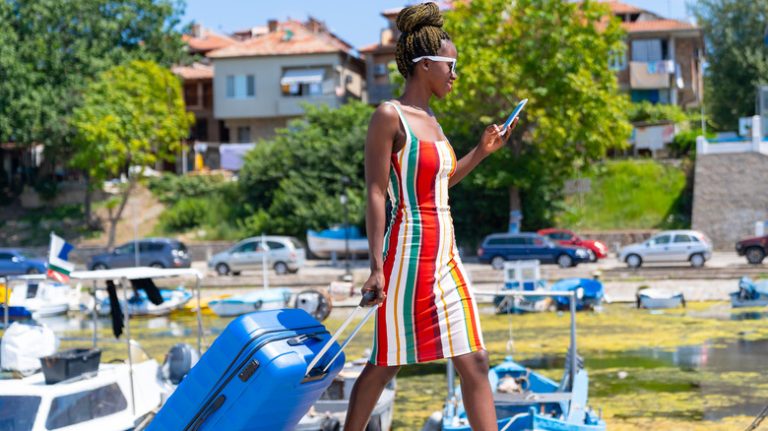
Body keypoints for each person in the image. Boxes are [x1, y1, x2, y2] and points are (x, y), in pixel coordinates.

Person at [344, 3, 518, 430]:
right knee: (385, 363)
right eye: (450, 65)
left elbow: (441, 184)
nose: (455, 74)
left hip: (446, 254)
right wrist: (376, 268)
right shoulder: (390, 116)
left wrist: (482, 151)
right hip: (407, 254)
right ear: (425, 66)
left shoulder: (435, 122)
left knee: (475, 360)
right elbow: (376, 192)